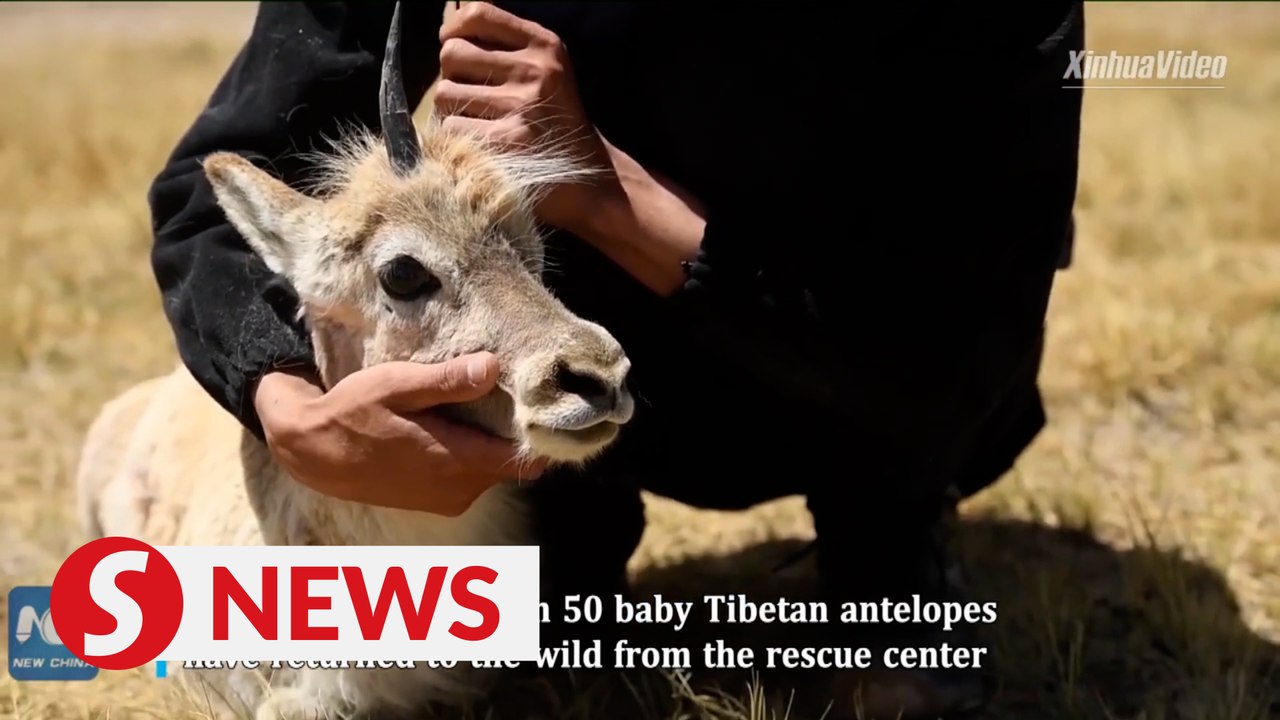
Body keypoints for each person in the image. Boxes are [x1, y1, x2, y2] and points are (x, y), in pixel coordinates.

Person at [148, 2, 1084, 717]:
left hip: (850, 381)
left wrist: (608, 193)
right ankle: (567, 554)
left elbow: (968, 336)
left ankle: (885, 539)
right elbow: (220, 186)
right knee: (511, 653)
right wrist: (282, 400)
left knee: (909, 464)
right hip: (534, 421)